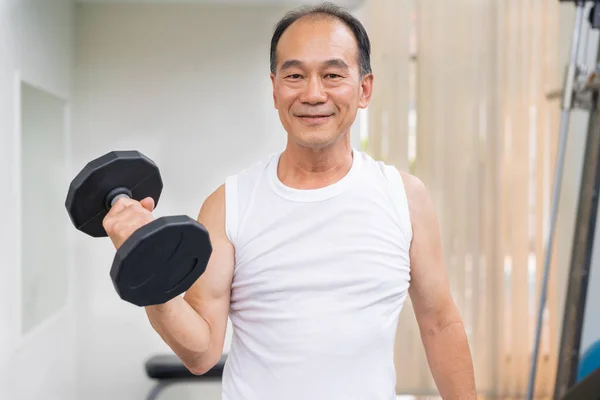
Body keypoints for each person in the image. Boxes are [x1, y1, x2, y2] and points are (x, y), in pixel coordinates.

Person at [103, 2, 477, 399]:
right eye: (295, 75)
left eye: (333, 75)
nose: (313, 94)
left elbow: (440, 324)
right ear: (275, 89)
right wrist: (149, 274)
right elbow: (201, 352)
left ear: (364, 89)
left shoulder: (405, 198)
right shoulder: (229, 205)